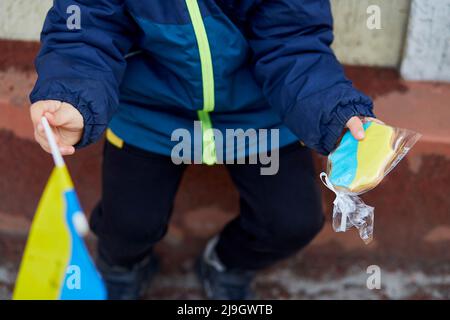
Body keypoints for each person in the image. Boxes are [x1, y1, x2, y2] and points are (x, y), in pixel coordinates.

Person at [29, 0, 375, 300]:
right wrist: (71, 95)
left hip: (258, 117)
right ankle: (122, 268)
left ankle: (227, 262)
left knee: (291, 222)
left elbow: (295, 43)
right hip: (150, 116)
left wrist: (332, 110)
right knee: (128, 226)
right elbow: (84, 31)